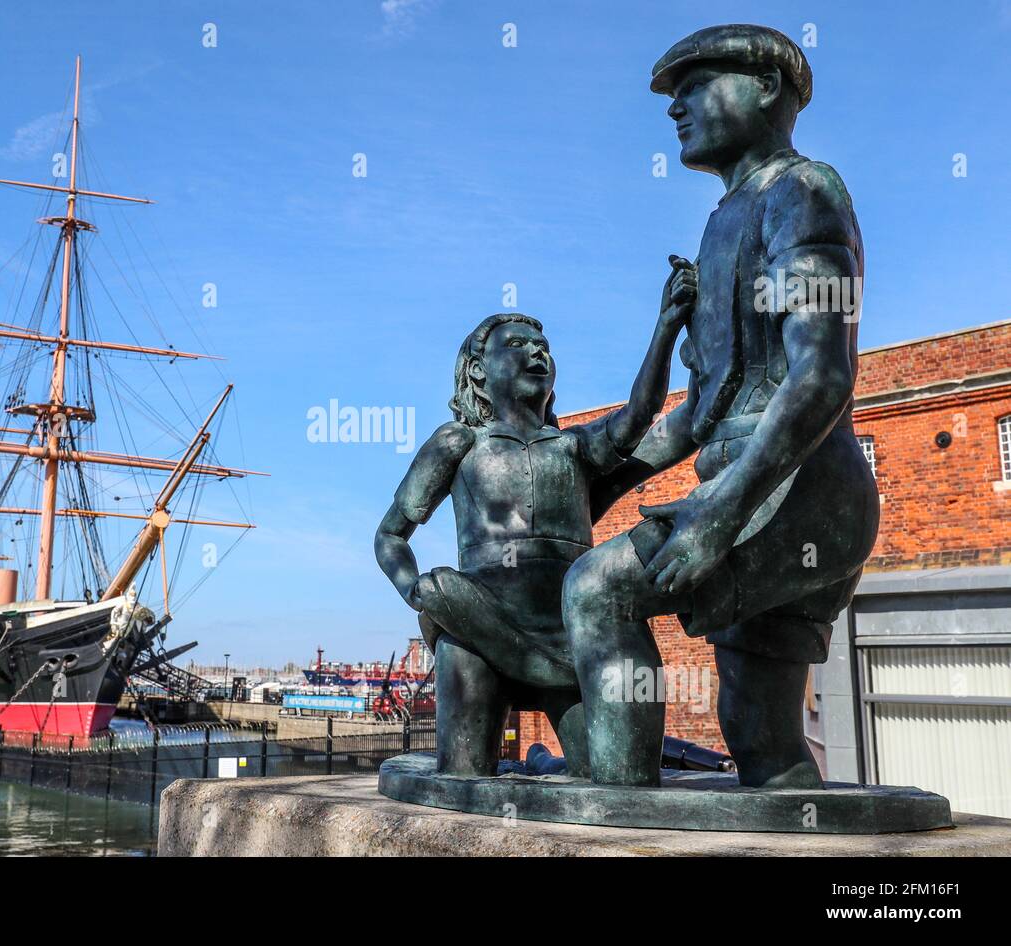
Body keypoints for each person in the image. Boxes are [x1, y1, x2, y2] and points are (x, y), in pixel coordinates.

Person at [563, 24, 878, 789]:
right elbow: (701, 411)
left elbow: (821, 378)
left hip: (796, 493)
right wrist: (591, 482)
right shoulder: (721, 223)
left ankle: (619, 798)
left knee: (596, 588)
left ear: (766, 87)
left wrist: (718, 514)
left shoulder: (803, 191)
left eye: (694, 86)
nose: (676, 107)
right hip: (752, 487)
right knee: (760, 740)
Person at [375, 260, 694, 777]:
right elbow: (391, 534)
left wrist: (667, 325)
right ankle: (530, 763)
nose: (537, 352)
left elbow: (642, 412)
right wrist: (415, 589)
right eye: (517, 345)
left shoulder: (573, 447)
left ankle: (539, 762)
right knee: (463, 779)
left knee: (605, 776)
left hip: (570, 634)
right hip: (478, 623)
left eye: (542, 346)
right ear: (479, 370)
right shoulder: (458, 443)